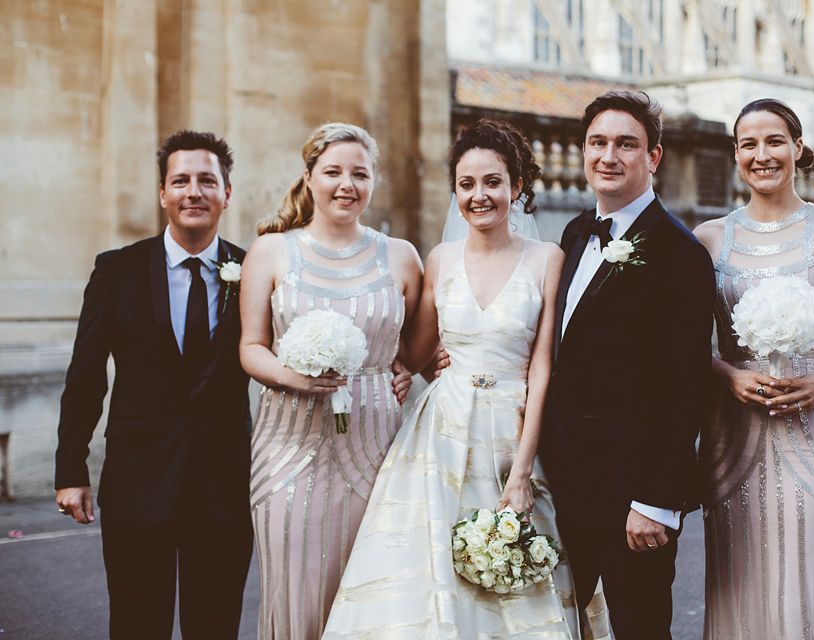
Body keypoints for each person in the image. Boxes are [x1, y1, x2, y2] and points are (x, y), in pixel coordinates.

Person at [321, 119, 582, 638]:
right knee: (428, 575)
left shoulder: (547, 259)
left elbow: (543, 366)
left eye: (492, 182)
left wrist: (522, 472)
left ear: (517, 187)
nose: (478, 196)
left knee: (517, 578)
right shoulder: (440, 260)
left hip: (516, 428)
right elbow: (412, 352)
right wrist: (400, 370)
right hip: (439, 435)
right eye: (466, 185)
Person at [693, 98, 814, 639]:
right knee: (735, 588)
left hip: (810, 436)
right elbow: (682, 345)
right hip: (732, 436)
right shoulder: (708, 240)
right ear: (735, 155)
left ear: (798, 147)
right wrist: (729, 375)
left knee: (802, 588)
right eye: (748, 144)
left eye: (774, 141)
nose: (762, 155)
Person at [54, 130, 254, 639]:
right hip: (137, 484)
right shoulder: (116, 270)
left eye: (207, 180)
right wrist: (70, 467)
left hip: (223, 485)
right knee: (136, 624)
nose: (194, 191)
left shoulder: (254, 270)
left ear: (226, 194)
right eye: (181, 180)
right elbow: (86, 374)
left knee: (216, 627)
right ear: (163, 193)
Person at [538, 90, 716, 639]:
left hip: (630, 496)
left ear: (654, 157)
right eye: (597, 142)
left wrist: (657, 502)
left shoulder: (681, 255)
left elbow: (683, 389)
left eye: (625, 144)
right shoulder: (572, 234)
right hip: (563, 486)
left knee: (639, 630)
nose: (608, 156)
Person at [239, 122, 421, 638]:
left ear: (373, 183)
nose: (347, 184)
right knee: (294, 588)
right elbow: (250, 347)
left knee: (371, 592)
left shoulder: (401, 256)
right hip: (287, 444)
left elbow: (418, 346)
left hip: (376, 445)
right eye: (333, 171)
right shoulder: (272, 252)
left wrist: (412, 365)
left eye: (359, 174)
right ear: (310, 177)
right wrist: (292, 376)